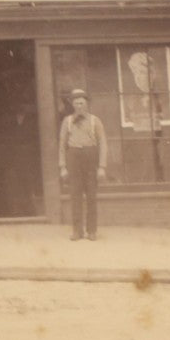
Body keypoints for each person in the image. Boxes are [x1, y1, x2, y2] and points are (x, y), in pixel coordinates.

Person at [58, 88, 107, 241]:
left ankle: (91, 231)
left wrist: (102, 167)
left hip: (90, 156)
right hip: (73, 157)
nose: (79, 106)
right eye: (76, 103)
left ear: (86, 104)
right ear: (73, 105)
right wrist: (63, 167)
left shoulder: (95, 121)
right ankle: (77, 231)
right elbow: (62, 145)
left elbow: (103, 144)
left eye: (82, 103)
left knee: (91, 195)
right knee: (75, 196)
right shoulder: (67, 121)